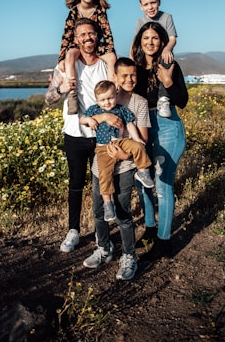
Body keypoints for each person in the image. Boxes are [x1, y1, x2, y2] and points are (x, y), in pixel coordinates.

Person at [45, 18, 119, 253]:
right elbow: (48, 99)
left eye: (91, 34)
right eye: (83, 35)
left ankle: (101, 233)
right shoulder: (65, 67)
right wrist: (60, 89)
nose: (88, 38)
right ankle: (73, 230)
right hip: (74, 134)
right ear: (76, 39)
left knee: (102, 185)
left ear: (97, 36)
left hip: (102, 136)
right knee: (76, 184)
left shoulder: (106, 66)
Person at [82, 57, 151, 280]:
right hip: (99, 164)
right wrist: (102, 116)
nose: (129, 79)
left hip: (125, 165)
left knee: (122, 213)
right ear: (115, 78)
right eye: (124, 75)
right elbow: (83, 119)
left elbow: (142, 138)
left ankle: (129, 256)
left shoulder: (138, 103)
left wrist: (124, 155)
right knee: (99, 211)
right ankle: (104, 248)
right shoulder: (103, 99)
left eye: (133, 75)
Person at [131, 22, 188, 260]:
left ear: (162, 41)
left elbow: (182, 100)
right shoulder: (134, 67)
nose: (150, 42)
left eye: (155, 38)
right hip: (142, 126)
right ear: (139, 41)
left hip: (167, 127)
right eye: (146, 38)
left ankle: (164, 242)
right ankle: (150, 229)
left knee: (163, 186)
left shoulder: (170, 65)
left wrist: (167, 80)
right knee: (142, 181)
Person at [79, 80, 153, 222]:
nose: (107, 102)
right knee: (104, 174)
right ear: (97, 100)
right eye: (103, 99)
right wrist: (89, 120)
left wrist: (137, 139)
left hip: (121, 142)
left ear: (116, 95)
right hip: (103, 147)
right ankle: (108, 203)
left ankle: (143, 172)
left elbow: (130, 124)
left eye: (110, 98)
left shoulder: (121, 109)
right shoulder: (94, 110)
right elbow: (81, 120)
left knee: (139, 147)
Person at [58, 0, 117, 115]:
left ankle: (112, 91)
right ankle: (72, 95)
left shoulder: (100, 11)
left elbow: (107, 34)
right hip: (77, 45)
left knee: (112, 58)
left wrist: (110, 52)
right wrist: (61, 58)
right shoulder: (73, 11)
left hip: (97, 45)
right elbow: (66, 37)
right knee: (71, 54)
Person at [133, 0, 178, 118]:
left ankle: (163, 99)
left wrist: (166, 48)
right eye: (146, 4)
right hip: (145, 56)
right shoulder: (140, 21)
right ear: (141, 6)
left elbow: (172, 39)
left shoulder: (166, 17)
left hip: (163, 55)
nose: (150, 7)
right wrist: (132, 58)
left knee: (167, 59)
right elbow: (136, 41)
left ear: (159, 2)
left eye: (153, 3)